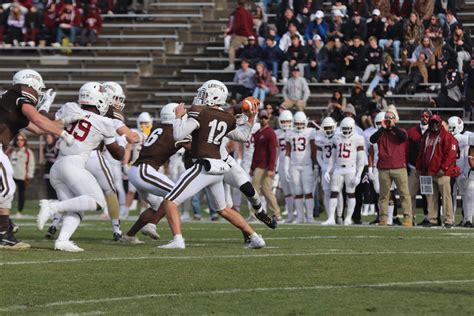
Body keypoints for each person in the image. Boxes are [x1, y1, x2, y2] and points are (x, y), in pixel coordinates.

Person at [157, 80, 266, 249]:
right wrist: (252, 117)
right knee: (223, 209)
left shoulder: (200, 113)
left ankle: (178, 240)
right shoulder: (227, 117)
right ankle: (255, 238)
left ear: (213, 96)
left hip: (204, 166)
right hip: (219, 168)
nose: (200, 97)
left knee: (170, 201)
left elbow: (179, 135)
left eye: (204, 94)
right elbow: (244, 136)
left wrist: (179, 116)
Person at [37, 82, 124, 252]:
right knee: (98, 202)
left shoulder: (70, 108)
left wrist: (45, 103)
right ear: (99, 100)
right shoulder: (105, 122)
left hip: (57, 167)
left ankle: (62, 240)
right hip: (73, 165)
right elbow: (118, 155)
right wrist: (123, 142)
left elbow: (43, 120)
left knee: (77, 208)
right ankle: (52, 207)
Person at [0, 69, 76, 249]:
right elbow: (37, 119)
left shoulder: (12, 104)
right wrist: (63, 134)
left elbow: (39, 127)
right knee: (6, 189)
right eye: (38, 90)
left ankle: (5, 231)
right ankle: (4, 232)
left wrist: (69, 120)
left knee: (7, 187)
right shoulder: (18, 93)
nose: (39, 94)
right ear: (30, 84)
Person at [120, 103, 189, 244]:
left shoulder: (158, 127)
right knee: (176, 193)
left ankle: (129, 236)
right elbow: (193, 148)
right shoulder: (174, 132)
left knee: (158, 206)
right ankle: (152, 225)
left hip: (138, 170)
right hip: (145, 170)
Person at [369, 111, 412, 226]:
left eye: (390, 118)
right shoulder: (381, 132)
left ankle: (408, 218)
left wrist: (393, 126)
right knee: (384, 195)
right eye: (387, 119)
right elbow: (372, 140)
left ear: (394, 119)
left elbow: (402, 137)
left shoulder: (401, 131)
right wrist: (383, 128)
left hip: (399, 167)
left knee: (404, 194)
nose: (388, 121)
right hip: (384, 167)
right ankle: (383, 218)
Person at [416, 114, 458, 228]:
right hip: (428, 172)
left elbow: (451, 155)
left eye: (436, 122)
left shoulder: (447, 136)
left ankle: (449, 219)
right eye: (432, 122)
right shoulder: (426, 136)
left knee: (446, 197)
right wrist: (419, 168)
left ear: (440, 123)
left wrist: (443, 168)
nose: (434, 125)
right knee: (431, 197)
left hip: (442, 173)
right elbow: (421, 153)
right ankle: (432, 218)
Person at [323, 117, 365, 225]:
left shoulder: (358, 138)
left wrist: (358, 175)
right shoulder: (336, 137)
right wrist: (328, 170)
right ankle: (331, 218)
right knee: (334, 192)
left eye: (348, 128)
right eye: (344, 128)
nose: (346, 131)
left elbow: (361, 159)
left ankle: (348, 218)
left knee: (350, 193)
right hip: (338, 168)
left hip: (351, 169)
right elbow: (332, 157)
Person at [284, 111, 317, 223]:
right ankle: (300, 217)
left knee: (308, 190)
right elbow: (287, 152)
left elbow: (313, 150)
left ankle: (310, 217)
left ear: (305, 123)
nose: (299, 126)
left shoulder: (310, 132)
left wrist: (315, 165)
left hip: (307, 165)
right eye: (297, 123)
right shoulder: (289, 133)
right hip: (294, 165)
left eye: (301, 123)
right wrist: (285, 167)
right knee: (297, 191)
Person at [251, 109, 281, 221]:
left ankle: (273, 213)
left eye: (265, 118)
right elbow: (255, 152)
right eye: (262, 117)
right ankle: (273, 213)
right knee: (261, 190)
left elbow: (273, 152)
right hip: (258, 166)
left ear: (268, 119)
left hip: (265, 166)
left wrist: (271, 168)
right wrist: (252, 167)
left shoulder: (270, 133)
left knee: (260, 190)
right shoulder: (258, 133)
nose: (263, 119)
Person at [406, 109, 430, 225]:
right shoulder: (412, 131)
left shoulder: (433, 131)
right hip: (414, 167)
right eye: (423, 116)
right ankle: (411, 217)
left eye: (427, 116)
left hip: (426, 169)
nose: (424, 118)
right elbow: (406, 149)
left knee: (427, 194)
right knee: (410, 194)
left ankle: (428, 217)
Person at [447, 116, 471, 226]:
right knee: (463, 196)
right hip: (460, 170)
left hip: (455, 170)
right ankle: (466, 219)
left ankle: (452, 219)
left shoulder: (452, 138)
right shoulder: (465, 137)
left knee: (453, 196)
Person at [7, 133, 35, 218]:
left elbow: (31, 164)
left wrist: (29, 176)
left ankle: (19, 211)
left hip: (22, 176)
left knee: (21, 195)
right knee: (8, 194)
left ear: (24, 141)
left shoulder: (27, 152)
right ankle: (6, 210)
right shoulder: (12, 151)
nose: (19, 142)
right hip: (11, 176)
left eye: (21, 140)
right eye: (18, 140)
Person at [275, 110, 294, 222]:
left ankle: (300, 213)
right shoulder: (276, 133)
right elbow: (276, 151)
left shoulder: (294, 131)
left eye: (288, 121)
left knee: (297, 190)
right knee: (287, 190)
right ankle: (290, 214)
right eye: (283, 121)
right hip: (282, 163)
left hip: (294, 163)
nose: (286, 123)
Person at [224, 0, 254, 72]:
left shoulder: (238, 12)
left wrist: (228, 33)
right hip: (248, 35)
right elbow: (251, 24)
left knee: (232, 48)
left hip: (240, 35)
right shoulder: (248, 13)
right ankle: (250, 66)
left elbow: (236, 26)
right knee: (249, 50)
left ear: (238, 4)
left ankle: (231, 65)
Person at [43, 134, 59, 200]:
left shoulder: (56, 148)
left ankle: (55, 201)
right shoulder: (45, 147)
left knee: (54, 187)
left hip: (54, 169)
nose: (47, 140)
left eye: (49, 138)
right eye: (46, 138)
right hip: (47, 169)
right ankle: (50, 201)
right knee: (48, 187)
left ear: (53, 138)